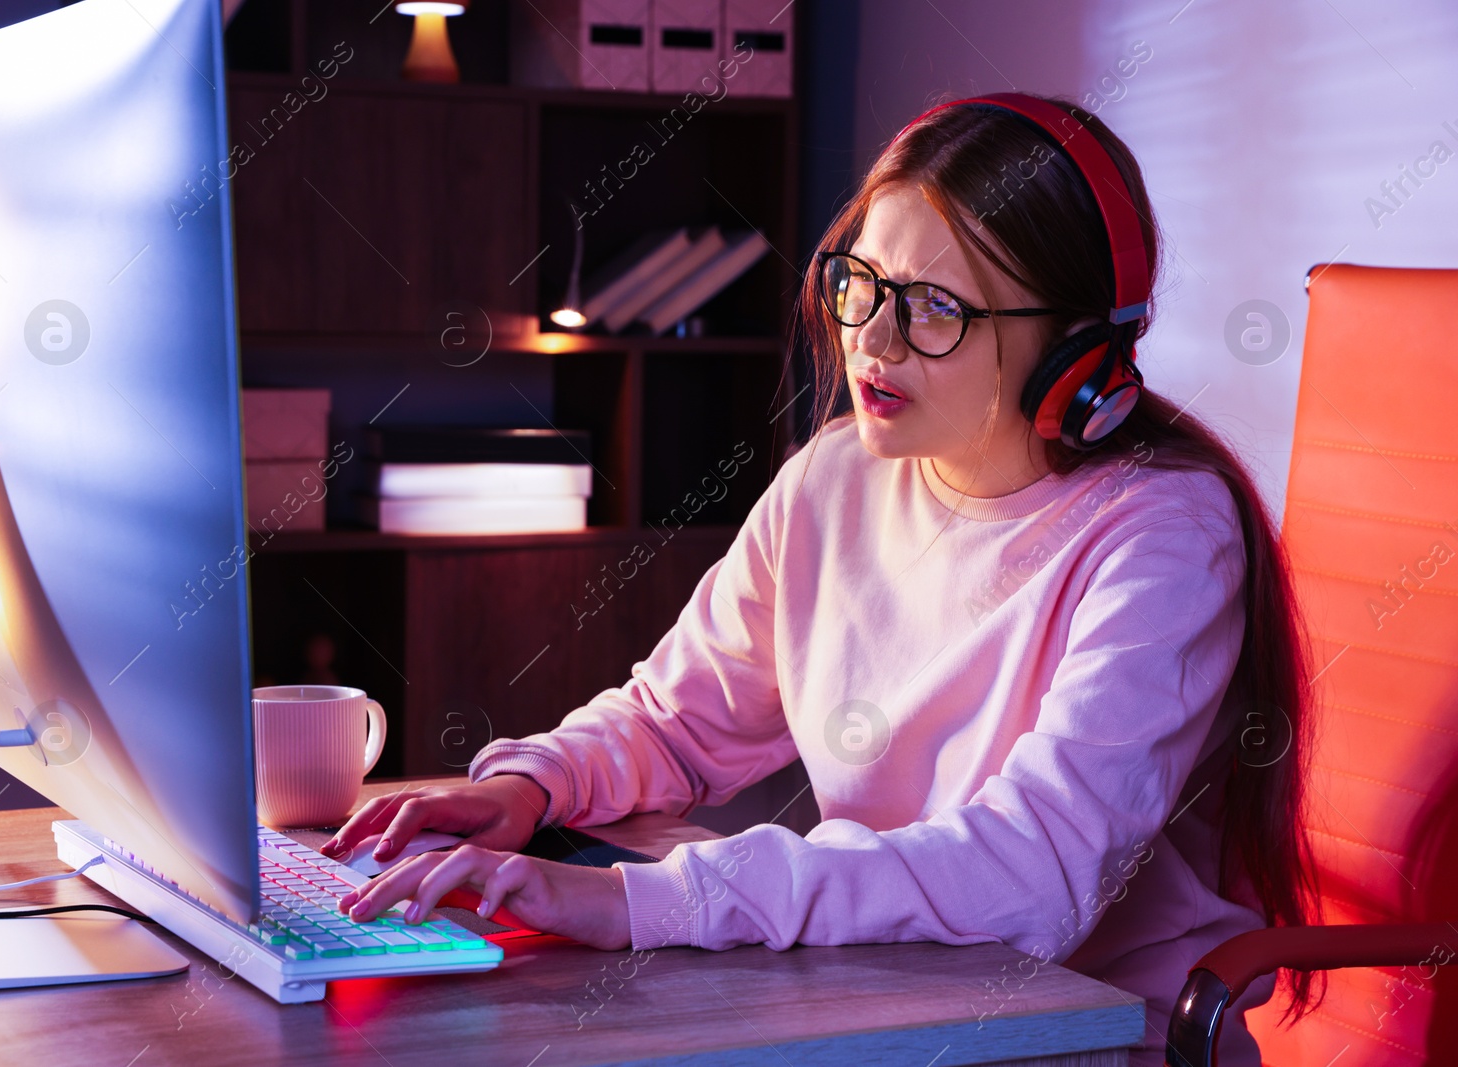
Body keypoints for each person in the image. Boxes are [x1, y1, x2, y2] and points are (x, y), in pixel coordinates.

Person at [319, 93, 1319, 1065]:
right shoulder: (839, 473)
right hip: (887, 997)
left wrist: (639, 900)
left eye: (936, 310)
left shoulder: (1165, 535)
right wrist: (531, 785)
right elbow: (677, 721)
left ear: (1074, 355)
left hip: (1079, 1031)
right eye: (863, 285)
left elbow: (1032, 875)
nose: (873, 341)